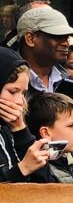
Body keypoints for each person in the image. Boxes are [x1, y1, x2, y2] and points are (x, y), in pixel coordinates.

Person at [0, 48, 50, 182]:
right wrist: (22, 169)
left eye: (23, 93)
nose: (19, 102)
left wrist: (20, 130)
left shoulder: (8, 126)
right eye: (12, 91)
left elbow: (43, 181)